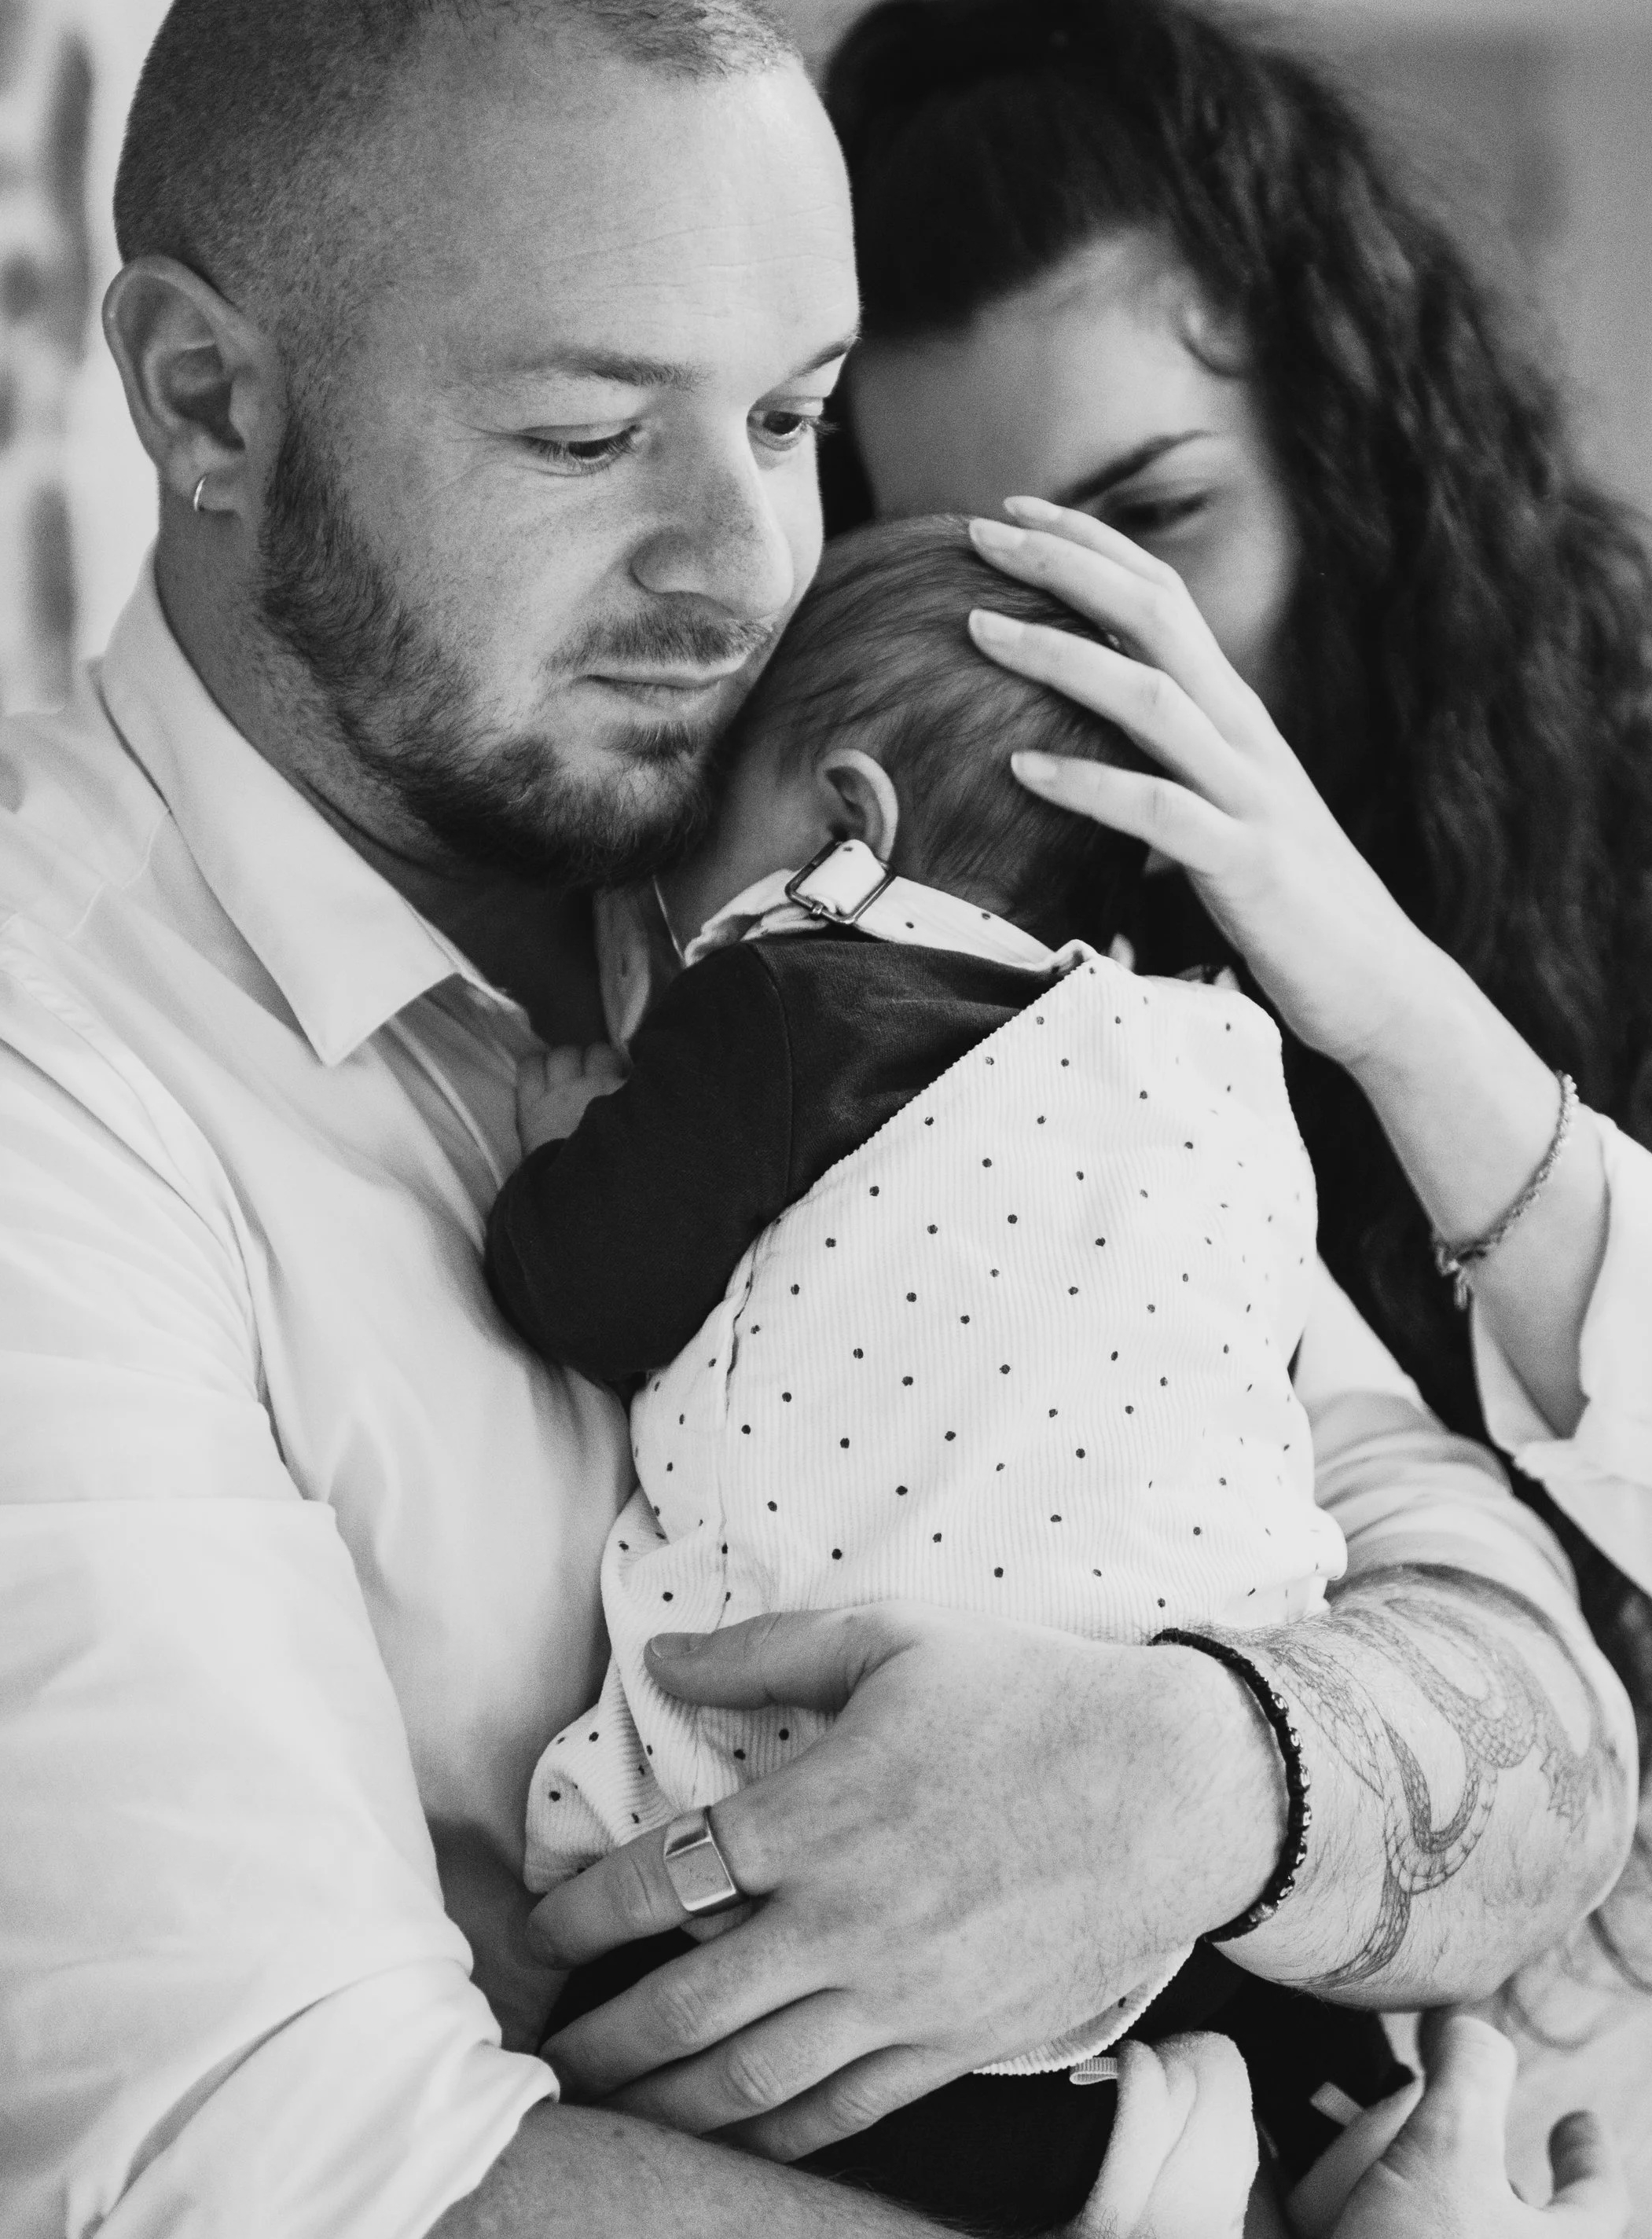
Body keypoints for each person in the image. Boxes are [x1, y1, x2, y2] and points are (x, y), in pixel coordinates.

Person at [0, 0, 1635, 2239]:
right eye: (583, 438)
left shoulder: (882, 908)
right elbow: (291, 2188)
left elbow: (1533, 1703)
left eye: (786, 420)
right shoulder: (22, 1083)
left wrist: (1203, 1773)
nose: (744, 565)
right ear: (204, 398)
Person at [817, 0, 1652, 2239]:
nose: (1113, 669)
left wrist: (1398, 1006)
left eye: (1157, 524)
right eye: (993, 583)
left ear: (1347, 436)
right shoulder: (933, 972)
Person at [483, 514, 1408, 2229]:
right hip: (1194, 1756)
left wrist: (569, 1142)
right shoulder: (1206, 1072)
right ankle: (1264, 2103)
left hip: (871, 1774)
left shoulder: (793, 992)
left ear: (850, 824)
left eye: (688, 844)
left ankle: (1126, 2162)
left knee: (669, 2020)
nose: (658, 906)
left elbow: (584, 1288)